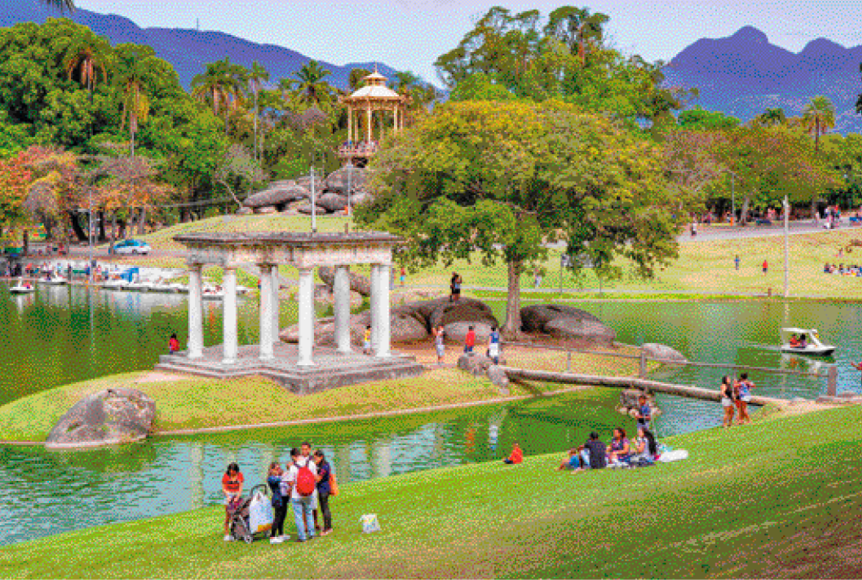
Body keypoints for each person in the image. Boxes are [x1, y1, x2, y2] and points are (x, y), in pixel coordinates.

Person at [285, 447, 318, 542]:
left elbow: (291, 483)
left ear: (293, 457)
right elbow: (314, 477)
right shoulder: (311, 464)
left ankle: (302, 537)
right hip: (309, 493)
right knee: (309, 512)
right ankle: (312, 534)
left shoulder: (293, 467)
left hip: (297, 495)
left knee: (299, 516)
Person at [312, 450, 333, 536]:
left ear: (321, 457)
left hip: (324, 490)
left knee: (325, 509)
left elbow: (318, 479)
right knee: (324, 508)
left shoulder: (324, 467)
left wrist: (310, 474)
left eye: (316, 458)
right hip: (322, 489)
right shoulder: (322, 464)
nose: (315, 459)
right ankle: (328, 527)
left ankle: (327, 528)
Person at [221, 463, 244, 541]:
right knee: (228, 515)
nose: (232, 473)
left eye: (233, 471)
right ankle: (226, 534)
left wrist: (237, 497)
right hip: (228, 493)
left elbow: (240, 487)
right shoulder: (226, 476)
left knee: (237, 515)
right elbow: (223, 488)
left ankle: (235, 532)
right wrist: (228, 497)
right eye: (231, 471)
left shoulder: (240, 475)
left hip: (236, 493)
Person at [267, 462, 288, 544]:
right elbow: (279, 479)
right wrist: (285, 474)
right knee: (277, 517)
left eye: (279, 468)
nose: (278, 470)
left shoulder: (278, 476)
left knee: (282, 516)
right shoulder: (271, 478)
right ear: (272, 470)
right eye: (276, 469)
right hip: (277, 499)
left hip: (284, 498)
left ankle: (281, 534)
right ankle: (272, 536)